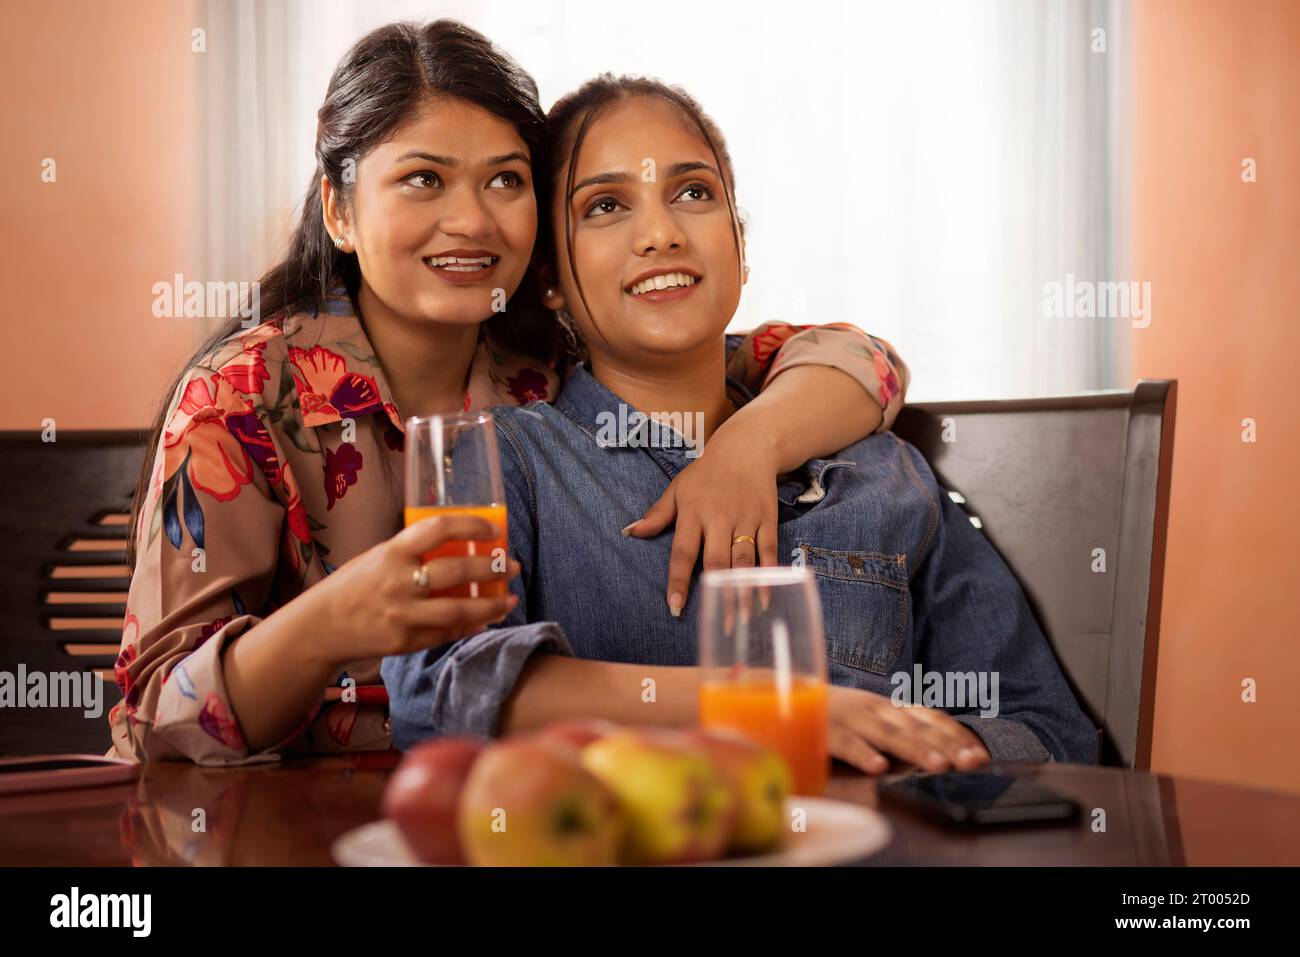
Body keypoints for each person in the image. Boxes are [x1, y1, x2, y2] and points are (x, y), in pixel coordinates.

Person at [114, 24, 911, 764]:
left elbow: (854, 358)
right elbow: (156, 714)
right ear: (340, 210)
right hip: (281, 819)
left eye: (505, 180)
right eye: (423, 179)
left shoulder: (549, 362)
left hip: (508, 809)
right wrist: (328, 622)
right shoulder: (240, 399)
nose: (470, 220)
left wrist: (751, 443)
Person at [382, 75, 1098, 771]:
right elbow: (436, 689)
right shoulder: (508, 463)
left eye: (693, 193)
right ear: (549, 281)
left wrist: (887, 754)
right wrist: (767, 712)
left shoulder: (879, 470)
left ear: (741, 245)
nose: (661, 233)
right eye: (605, 205)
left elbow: (1048, 731)